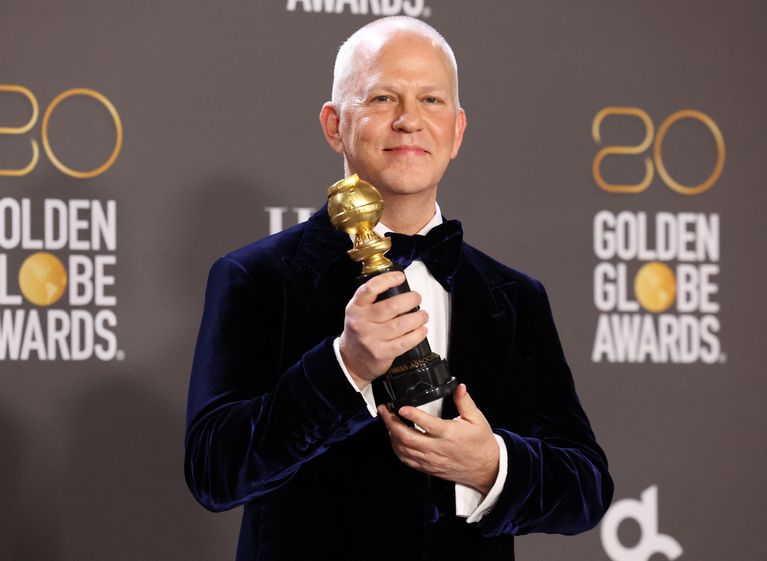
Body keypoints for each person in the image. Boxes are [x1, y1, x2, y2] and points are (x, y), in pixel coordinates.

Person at [185, 16, 613, 561]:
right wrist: (344, 368)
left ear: (457, 131)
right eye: (384, 97)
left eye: (431, 100)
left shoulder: (514, 297)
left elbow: (588, 489)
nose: (409, 121)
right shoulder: (256, 278)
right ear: (334, 124)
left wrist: (492, 467)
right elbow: (213, 472)